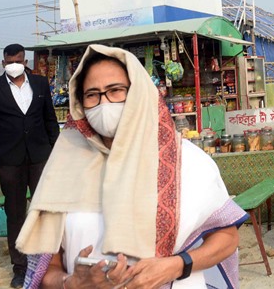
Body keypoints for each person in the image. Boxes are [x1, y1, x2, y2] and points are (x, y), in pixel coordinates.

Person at [16, 44, 246, 289]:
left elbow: (226, 238)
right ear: (79, 104)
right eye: (92, 94)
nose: (104, 103)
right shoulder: (62, 170)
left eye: (116, 91)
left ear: (139, 94)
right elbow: (48, 267)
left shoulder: (188, 161)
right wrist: (70, 283)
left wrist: (176, 265)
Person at [0, 43, 60, 288]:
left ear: (25, 62)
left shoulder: (41, 84)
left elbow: (50, 121)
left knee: (46, 210)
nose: (15, 64)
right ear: (3, 63)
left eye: (19, 60)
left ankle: (52, 261)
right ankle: (20, 268)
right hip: (9, 160)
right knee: (15, 214)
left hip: (40, 156)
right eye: (10, 61)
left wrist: (58, 154)